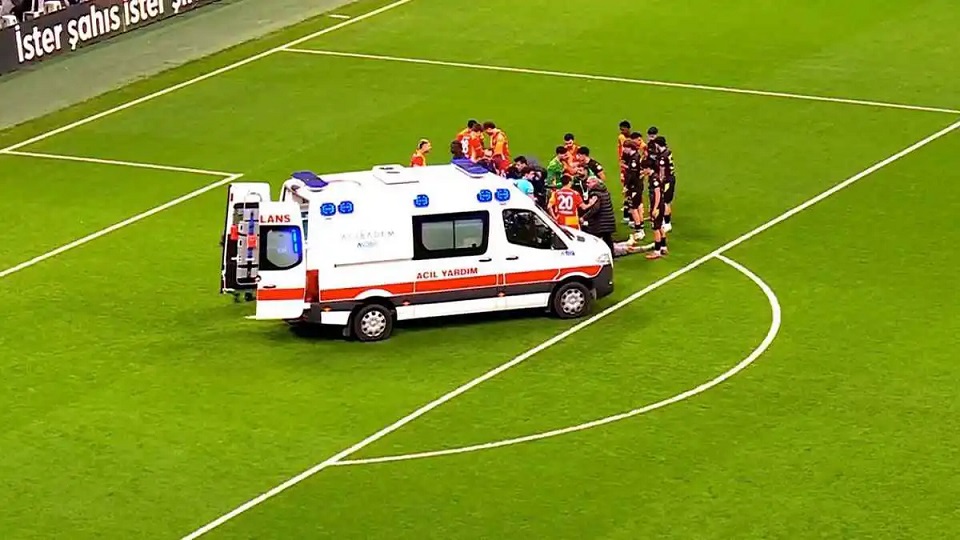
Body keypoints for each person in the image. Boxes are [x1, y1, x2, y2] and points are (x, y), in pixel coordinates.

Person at [580, 176, 617, 252]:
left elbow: (595, 209)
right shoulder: (604, 191)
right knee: (608, 239)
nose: (587, 184)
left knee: (592, 238)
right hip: (608, 220)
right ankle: (611, 254)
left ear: (594, 182)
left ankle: (595, 254)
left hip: (600, 222)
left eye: (588, 183)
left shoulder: (594, 193)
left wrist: (584, 217)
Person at [644, 150, 668, 259]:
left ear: (648, 168)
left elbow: (657, 193)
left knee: (656, 228)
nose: (643, 171)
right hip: (659, 205)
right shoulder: (653, 177)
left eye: (644, 169)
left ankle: (657, 251)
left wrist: (655, 208)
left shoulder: (654, 179)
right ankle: (663, 247)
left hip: (658, 206)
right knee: (660, 226)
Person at [621, 140, 646, 243]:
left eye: (625, 147)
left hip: (634, 187)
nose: (623, 150)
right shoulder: (636, 156)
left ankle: (639, 230)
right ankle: (641, 225)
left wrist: (626, 186)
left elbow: (632, 175)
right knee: (638, 205)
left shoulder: (634, 159)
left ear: (629, 148)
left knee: (633, 208)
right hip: (638, 185)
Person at [652, 135, 677, 233]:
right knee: (666, 201)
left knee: (665, 201)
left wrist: (660, 181)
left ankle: (667, 223)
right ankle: (665, 221)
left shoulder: (662, 156)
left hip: (667, 180)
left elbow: (662, 171)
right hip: (671, 177)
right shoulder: (668, 152)